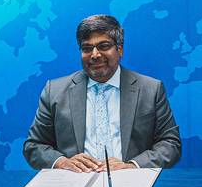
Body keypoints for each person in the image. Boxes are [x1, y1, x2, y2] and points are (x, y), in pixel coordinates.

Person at [23, 14, 181, 171]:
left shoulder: (151, 89)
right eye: (87, 48)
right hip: (75, 181)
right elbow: (34, 145)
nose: (95, 55)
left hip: (131, 180)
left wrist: (131, 166)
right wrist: (62, 162)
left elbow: (170, 143)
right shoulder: (54, 91)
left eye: (103, 46)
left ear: (120, 49)